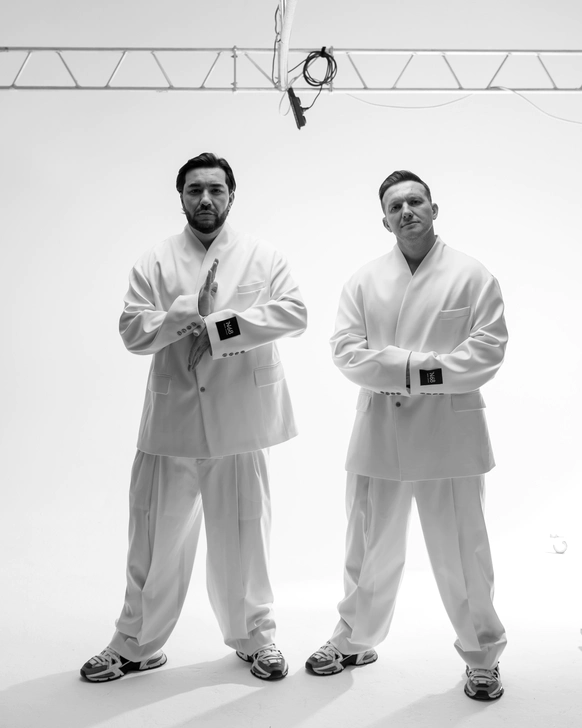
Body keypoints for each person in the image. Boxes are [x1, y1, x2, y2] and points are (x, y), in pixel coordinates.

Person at [81, 152, 306, 683]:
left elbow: (293, 314)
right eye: (194, 190)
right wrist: (188, 313)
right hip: (173, 418)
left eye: (215, 189)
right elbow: (133, 330)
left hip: (240, 419)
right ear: (181, 196)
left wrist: (219, 327)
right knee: (154, 539)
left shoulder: (263, 256)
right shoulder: (155, 262)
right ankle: (135, 643)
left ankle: (256, 639)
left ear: (232, 195)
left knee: (245, 538)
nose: (205, 199)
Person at [305, 170, 507, 701]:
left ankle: (482, 656)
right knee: (368, 546)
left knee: (463, 553)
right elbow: (346, 352)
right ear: (385, 220)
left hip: (451, 436)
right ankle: (354, 639)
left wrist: (406, 369)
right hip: (382, 431)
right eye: (395, 206)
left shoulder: (472, 275)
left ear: (434, 209)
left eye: (416, 201)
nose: (407, 211)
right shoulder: (364, 280)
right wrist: (429, 367)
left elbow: (487, 352)